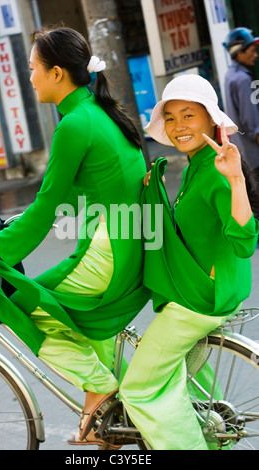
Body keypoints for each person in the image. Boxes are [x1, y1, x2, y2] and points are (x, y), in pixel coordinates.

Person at [0, 27, 150, 447]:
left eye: (33, 69)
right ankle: (99, 423)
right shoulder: (98, 113)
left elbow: (48, 206)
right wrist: (10, 226)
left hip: (109, 254)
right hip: (129, 247)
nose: (29, 78)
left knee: (27, 305)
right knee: (77, 324)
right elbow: (59, 198)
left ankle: (100, 388)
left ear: (58, 73)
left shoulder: (75, 124)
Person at [119, 74, 259, 450]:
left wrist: (236, 181)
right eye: (171, 118)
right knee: (187, 379)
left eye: (188, 115)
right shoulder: (196, 165)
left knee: (138, 389)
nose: (179, 126)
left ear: (211, 120)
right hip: (212, 292)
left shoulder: (215, 170)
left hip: (197, 300)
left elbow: (245, 241)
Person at [223, 27, 259, 220]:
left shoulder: (230, 75)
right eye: (251, 49)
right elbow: (253, 125)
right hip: (255, 157)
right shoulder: (243, 79)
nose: (255, 54)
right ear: (239, 51)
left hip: (245, 155)